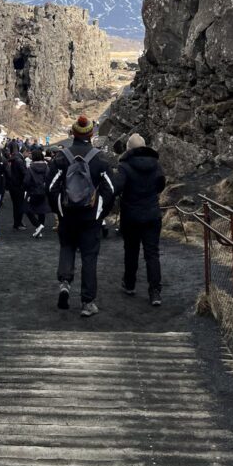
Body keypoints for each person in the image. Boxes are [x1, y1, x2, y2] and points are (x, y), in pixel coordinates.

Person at [46, 116, 115, 317]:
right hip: (90, 217)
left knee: (67, 247)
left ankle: (65, 283)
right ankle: (87, 302)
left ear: (72, 134)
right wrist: (100, 213)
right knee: (89, 257)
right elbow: (110, 189)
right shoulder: (100, 159)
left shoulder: (61, 157)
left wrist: (59, 210)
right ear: (91, 134)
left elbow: (50, 188)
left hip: (67, 216)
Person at [113, 133, 165, 306]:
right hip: (152, 213)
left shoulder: (124, 165)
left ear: (129, 148)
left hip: (131, 215)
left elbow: (117, 187)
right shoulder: (155, 164)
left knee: (131, 251)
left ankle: (129, 284)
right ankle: (155, 292)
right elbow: (161, 185)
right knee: (152, 253)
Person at [24, 148, 49, 237]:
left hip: (33, 192)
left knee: (27, 209)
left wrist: (27, 189)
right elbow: (49, 179)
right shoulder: (46, 167)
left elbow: (26, 181)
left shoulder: (30, 168)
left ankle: (38, 226)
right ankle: (40, 229)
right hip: (43, 191)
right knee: (41, 210)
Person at [7, 141, 27, 230]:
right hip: (18, 186)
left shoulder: (15, 158)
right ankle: (18, 224)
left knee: (17, 205)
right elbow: (24, 173)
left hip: (13, 186)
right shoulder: (19, 160)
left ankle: (18, 222)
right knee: (19, 205)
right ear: (25, 152)